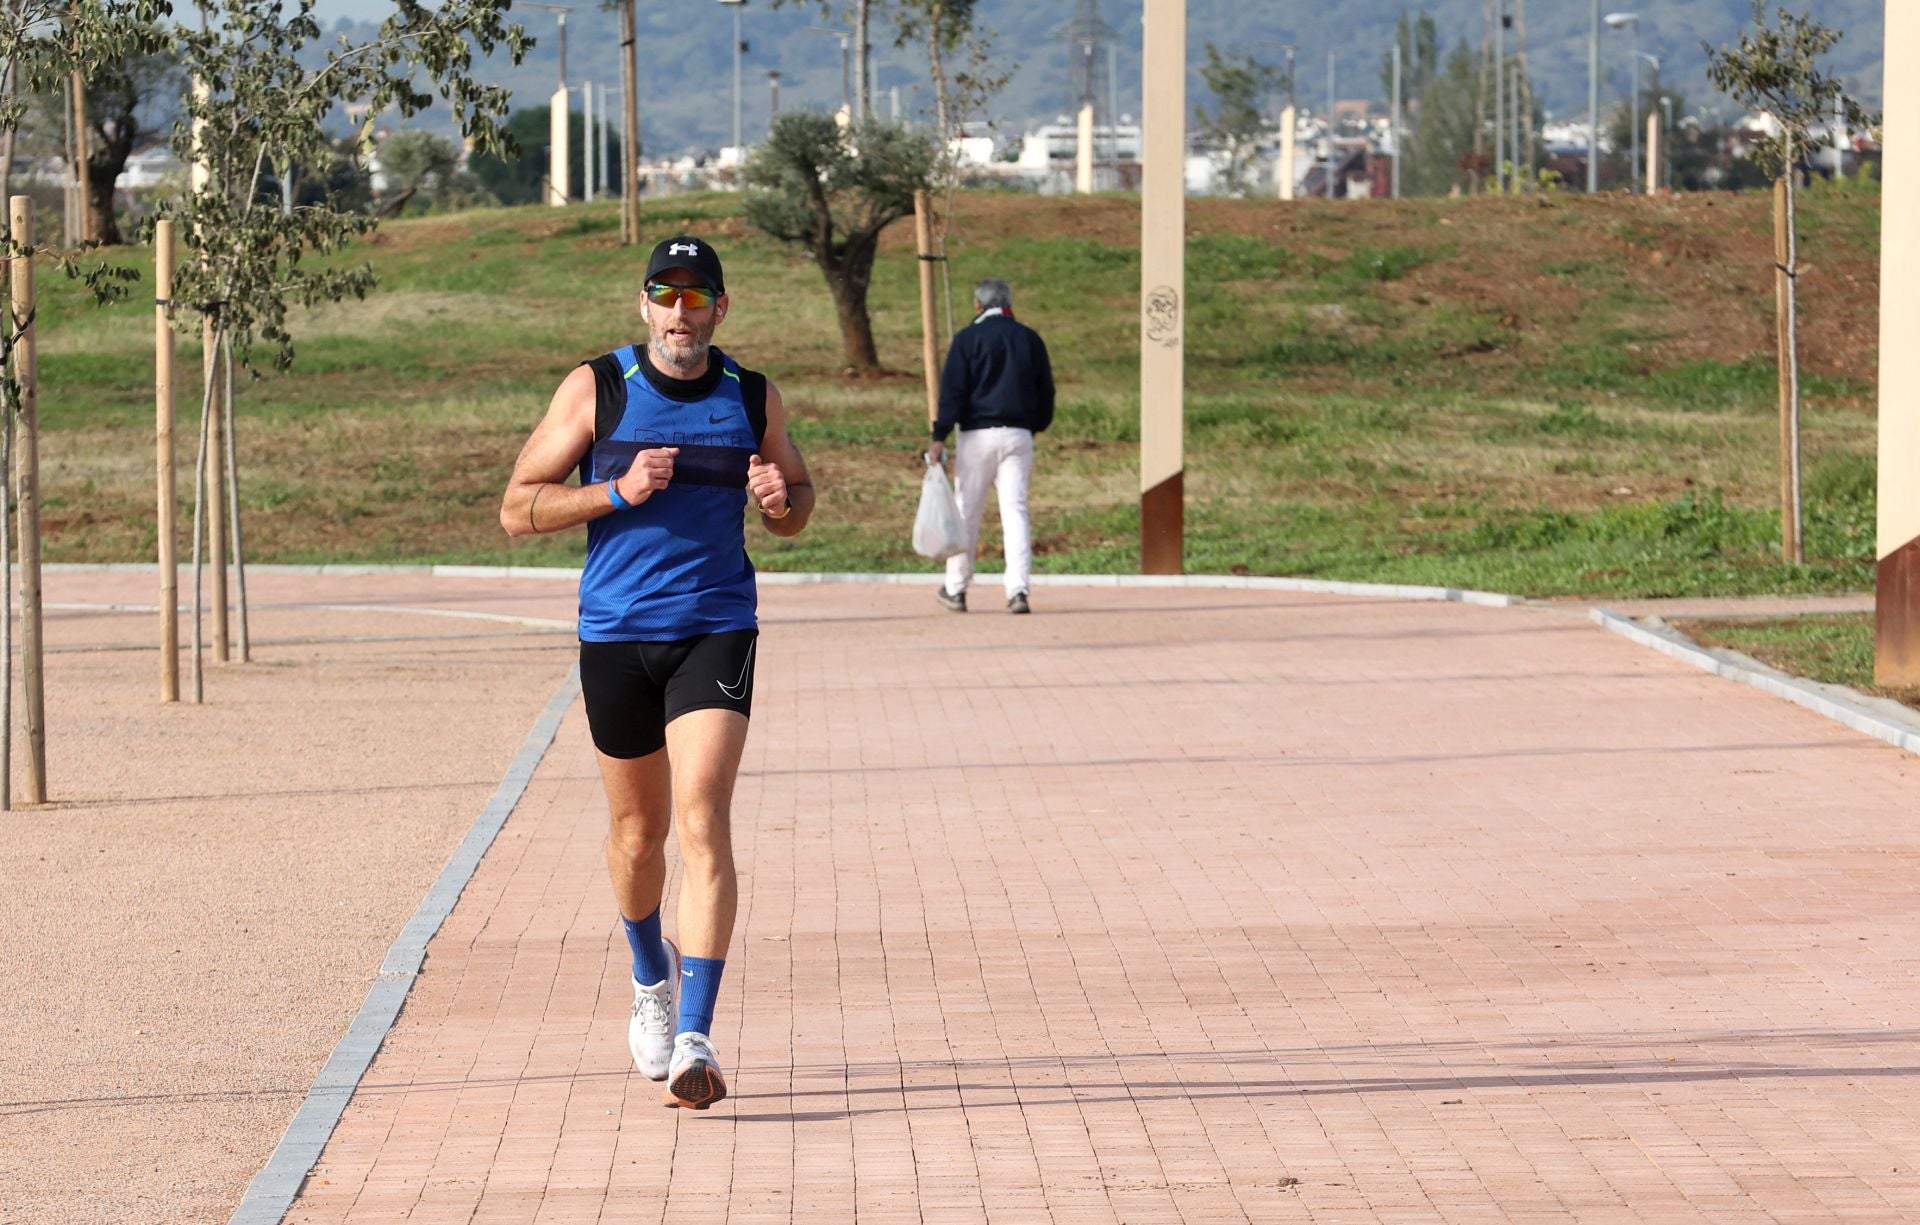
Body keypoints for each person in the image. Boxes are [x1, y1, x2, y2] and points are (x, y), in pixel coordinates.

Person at [499, 236, 814, 1110]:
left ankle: (696, 1038)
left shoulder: (751, 394)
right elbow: (517, 508)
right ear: (645, 306)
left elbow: (796, 497)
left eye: (697, 295)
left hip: (716, 627)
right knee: (638, 835)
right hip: (616, 636)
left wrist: (782, 504)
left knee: (703, 815)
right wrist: (615, 491)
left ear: (721, 307)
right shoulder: (599, 388)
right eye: (665, 295)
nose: (682, 312)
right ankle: (650, 978)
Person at [928, 277, 1054, 614]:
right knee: (1015, 511)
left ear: (978, 304)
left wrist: (939, 435)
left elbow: (952, 392)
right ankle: (1018, 591)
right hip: (1018, 434)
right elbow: (1046, 392)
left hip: (976, 436)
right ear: (1008, 302)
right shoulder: (1029, 339)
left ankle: (956, 588)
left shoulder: (967, 339)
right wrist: (1034, 426)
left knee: (967, 511)